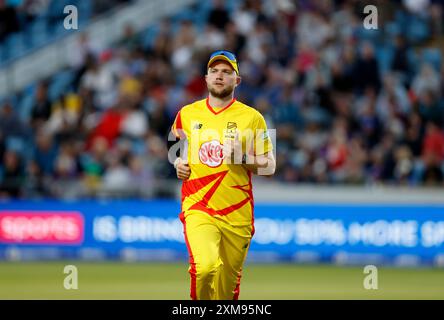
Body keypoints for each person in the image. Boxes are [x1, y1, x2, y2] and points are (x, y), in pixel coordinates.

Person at [170, 50, 276, 300]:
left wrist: (242, 157)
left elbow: (270, 166)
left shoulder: (254, 118)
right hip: (198, 206)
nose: (220, 76)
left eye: (227, 72)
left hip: (237, 213)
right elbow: (174, 146)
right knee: (205, 268)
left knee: (227, 291)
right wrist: (177, 163)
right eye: (215, 71)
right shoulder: (186, 113)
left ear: (236, 81)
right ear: (206, 78)